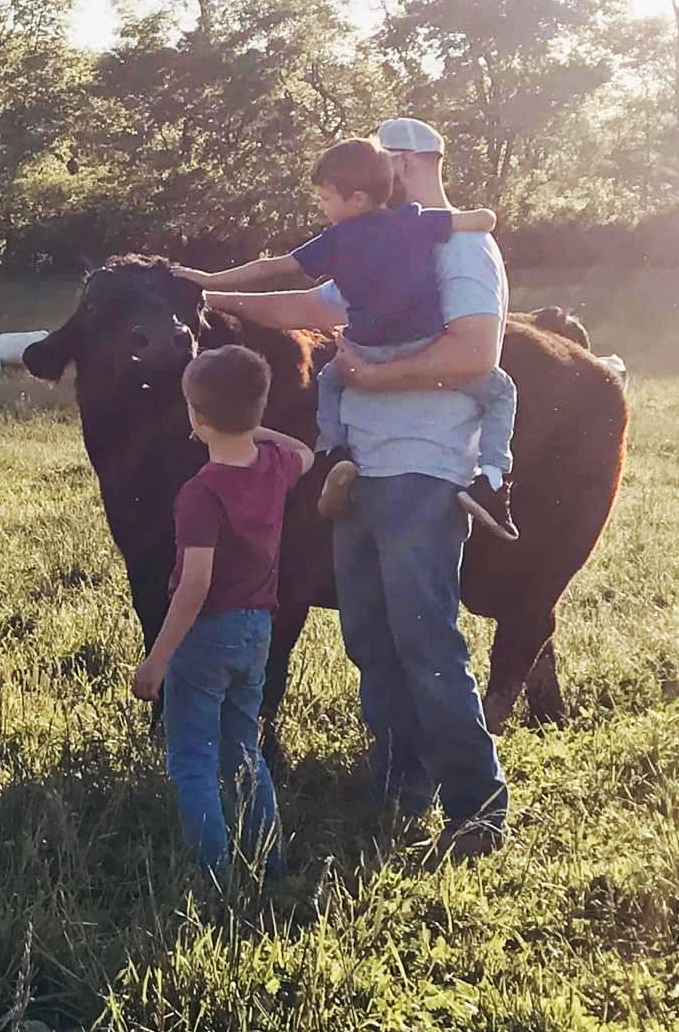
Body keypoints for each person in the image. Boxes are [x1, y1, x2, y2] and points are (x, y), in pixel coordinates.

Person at [197, 117, 511, 863]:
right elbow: (312, 307)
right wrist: (214, 297)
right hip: (361, 467)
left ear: (404, 165)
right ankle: (402, 790)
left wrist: (372, 375)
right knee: (371, 639)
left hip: (422, 464)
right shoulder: (384, 243)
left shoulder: (459, 246)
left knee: (425, 639)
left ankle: (478, 810)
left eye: (381, 158)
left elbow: (476, 352)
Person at [171, 135, 517, 541]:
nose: (322, 208)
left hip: (364, 347)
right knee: (502, 391)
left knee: (330, 381)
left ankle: (332, 452)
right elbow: (483, 220)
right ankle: (493, 480)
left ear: (354, 198)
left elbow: (274, 268)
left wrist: (208, 284)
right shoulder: (414, 222)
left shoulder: (337, 240)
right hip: (418, 344)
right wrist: (468, 219)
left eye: (324, 199)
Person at [131, 345, 314, 887]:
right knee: (244, 752)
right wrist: (258, 431)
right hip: (257, 630)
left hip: (206, 636)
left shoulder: (200, 493)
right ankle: (269, 862)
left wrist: (156, 662)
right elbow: (303, 450)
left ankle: (215, 878)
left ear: (197, 417)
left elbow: (194, 585)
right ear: (259, 411)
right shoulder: (276, 469)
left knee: (192, 760)